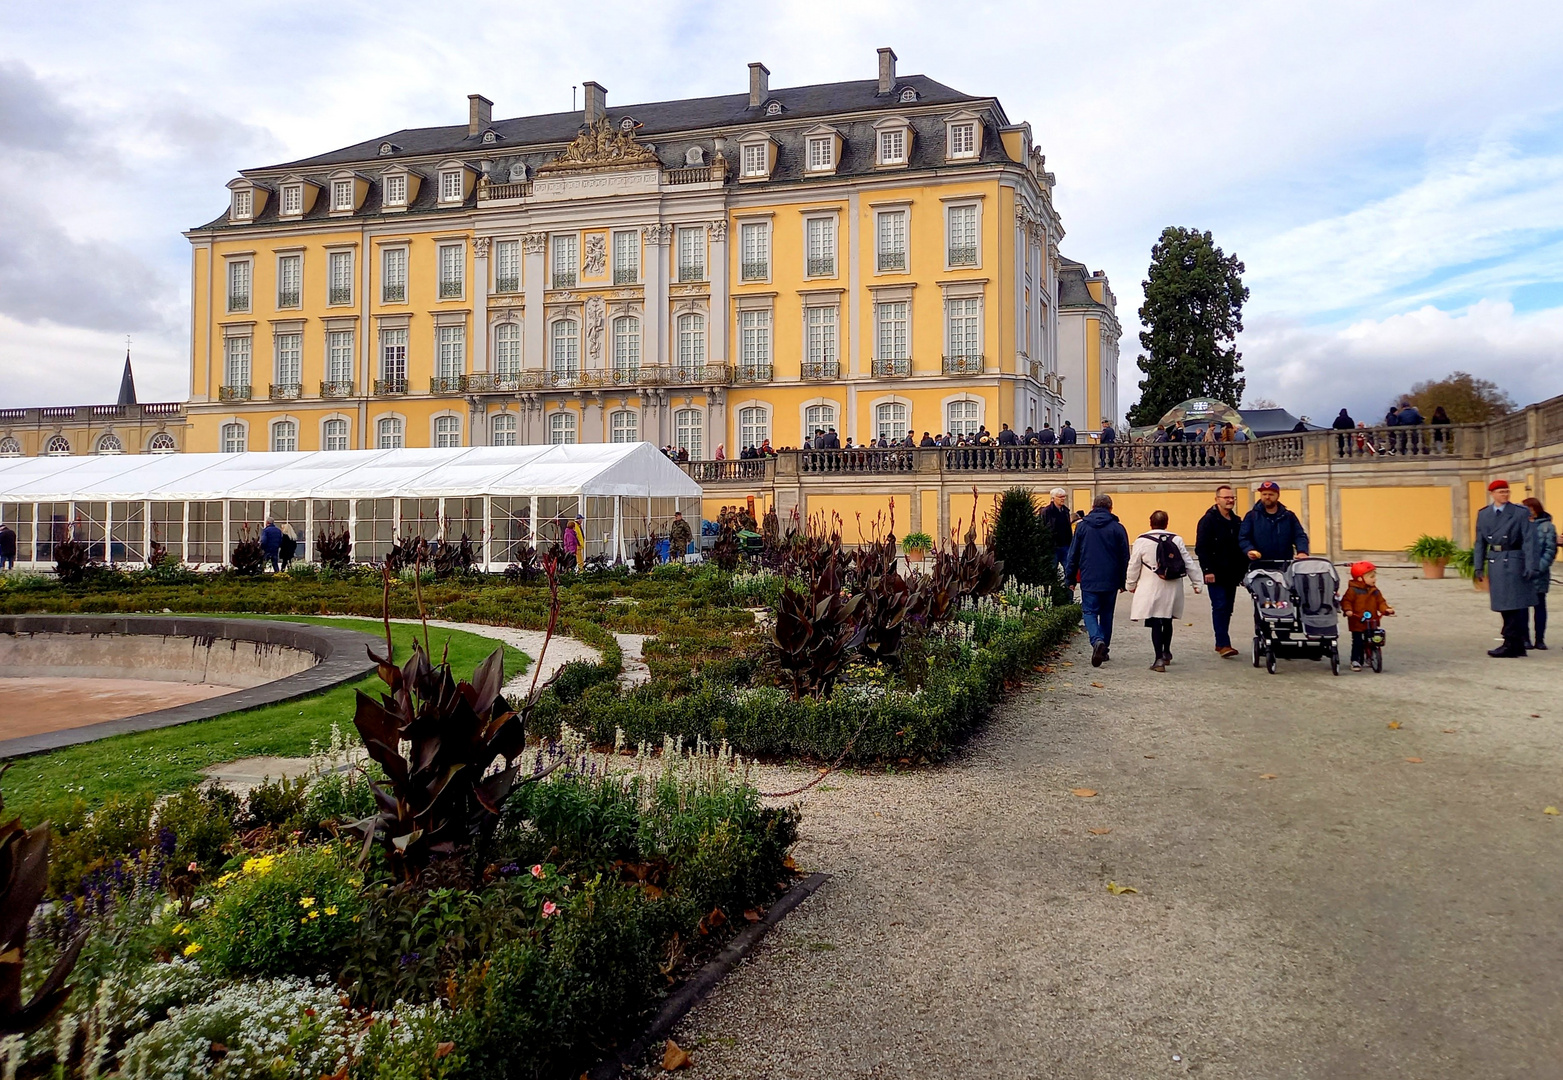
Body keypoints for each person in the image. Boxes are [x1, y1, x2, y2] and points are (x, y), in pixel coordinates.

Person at [1126, 510, 1202, 672]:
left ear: (1150, 522)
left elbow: (1134, 565)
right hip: (1172, 585)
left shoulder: (1141, 540)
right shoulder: (1177, 539)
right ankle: (1166, 652)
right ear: (1167, 523)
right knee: (1167, 619)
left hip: (1150, 585)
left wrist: (1130, 584)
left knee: (1155, 622)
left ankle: (1158, 658)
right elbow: (1188, 562)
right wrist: (1197, 582)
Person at [1473, 479, 1539, 658]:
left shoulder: (1519, 512)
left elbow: (1529, 540)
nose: (1505, 495)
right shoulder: (1484, 514)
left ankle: (1511, 643)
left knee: (1513, 604)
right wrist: (1478, 565)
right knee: (1503, 604)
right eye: (1501, 492)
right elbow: (1480, 542)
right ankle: (1515, 643)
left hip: (1514, 559)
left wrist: (1531, 564)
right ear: (1492, 494)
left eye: (1507, 491)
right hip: (1495, 559)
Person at [1064, 494, 1130, 668]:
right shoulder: (1118, 528)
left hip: (1089, 577)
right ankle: (1104, 649)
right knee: (1107, 614)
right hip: (1111, 578)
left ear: (1093, 507)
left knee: (1089, 612)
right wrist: (1123, 581)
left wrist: (1070, 577)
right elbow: (1125, 557)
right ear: (1111, 508)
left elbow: (1073, 554)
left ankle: (1097, 640)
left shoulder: (1082, 527)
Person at [1195, 484, 1245, 657]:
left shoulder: (1237, 521)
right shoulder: (1208, 521)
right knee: (1220, 605)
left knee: (1228, 607)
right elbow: (1201, 548)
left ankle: (1221, 642)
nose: (1230, 500)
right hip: (1215, 573)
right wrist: (1207, 570)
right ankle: (1223, 643)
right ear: (1217, 500)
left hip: (1232, 572)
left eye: (1232, 498)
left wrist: (1243, 571)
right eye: (1226, 498)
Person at [1341, 561, 1395, 671]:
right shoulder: (1352, 590)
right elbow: (1346, 601)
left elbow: (1381, 602)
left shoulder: (1375, 591)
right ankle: (1355, 660)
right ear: (1360, 578)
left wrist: (1386, 609)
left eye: (1374, 576)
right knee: (1357, 641)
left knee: (1374, 638)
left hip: (1372, 621)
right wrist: (1348, 610)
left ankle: (1371, 655)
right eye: (1371, 577)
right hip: (1357, 621)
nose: (1374, 579)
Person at [1239, 481, 1309, 564]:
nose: (1267, 497)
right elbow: (1243, 537)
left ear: (1278, 495)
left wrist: (1302, 551)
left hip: (1284, 565)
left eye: (1271, 494)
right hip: (1259, 565)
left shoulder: (1289, 516)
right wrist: (1249, 550)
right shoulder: (1252, 516)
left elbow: (1300, 536)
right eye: (1264, 494)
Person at [1523, 497, 1556, 650]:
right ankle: (1525, 639)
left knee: (1540, 607)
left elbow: (1550, 550)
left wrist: (1538, 568)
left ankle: (1540, 639)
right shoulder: (1521, 525)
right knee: (1522, 608)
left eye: (1529, 508)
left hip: (1540, 573)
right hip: (1523, 572)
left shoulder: (1547, 527)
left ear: (1535, 509)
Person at [1041, 487, 1073, 569]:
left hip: (1065, 545)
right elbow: (1043, 528)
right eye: (1060, 497)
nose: (1063, 499)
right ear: (1053, 498)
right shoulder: (1046, 512)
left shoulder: (1065, 511)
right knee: (1051, 570)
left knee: (1069, 569)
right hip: (1052, 547)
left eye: (1064, 496)